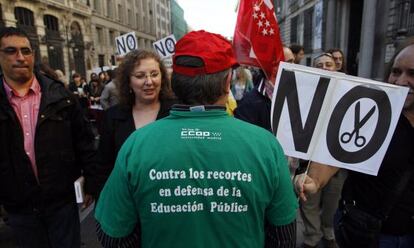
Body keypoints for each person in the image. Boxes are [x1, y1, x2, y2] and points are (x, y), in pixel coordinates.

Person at [95, 30, 298, 248]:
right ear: (227, 82)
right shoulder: (265, 145)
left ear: (173, 82)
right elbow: (283, 235)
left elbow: (113, 235)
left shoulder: (137, 145)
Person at [297, 40, 414, 247]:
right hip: (364, 233)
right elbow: (337, 154)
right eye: (396, 72)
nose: (401, 81)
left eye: (412, 74)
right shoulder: (373, 112)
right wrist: (314, 180)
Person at [0, 27, 97, 248]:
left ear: (33, 55)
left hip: (61, 203)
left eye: (26, 50)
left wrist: (90, 183)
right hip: (18, 207)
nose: (20, 57)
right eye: (11, 51)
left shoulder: (61, 96)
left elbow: (84, 142)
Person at [95, 49, 177, 195]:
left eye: (154, 74)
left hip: (169, 202)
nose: (149, 82)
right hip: (126, 204)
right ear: (128, 81)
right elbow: (104, 166)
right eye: (140, 76)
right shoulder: (113, 117)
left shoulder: (177, 112)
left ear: (162, 77)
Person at [299, 52, 346, 248]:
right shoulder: (303, 94)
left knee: (332, 203)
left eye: (328, 64)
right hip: (310, 159)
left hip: (336, 161)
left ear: (336, 68)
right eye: (319, 65)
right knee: (309, 201)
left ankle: (329, 233)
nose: (324, 68)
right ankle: (312, 237)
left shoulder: (347, 93)